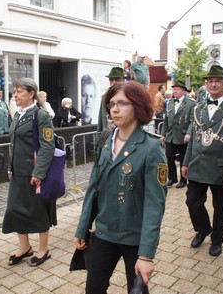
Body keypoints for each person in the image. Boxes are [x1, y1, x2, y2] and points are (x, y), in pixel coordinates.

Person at [74, 81, 167, 293]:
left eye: (122, 103)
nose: (115, 109)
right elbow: (94, 188)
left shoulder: (151, 148)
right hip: (104, 234)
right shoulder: (106, 139)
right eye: (112, 104)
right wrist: (83, 227)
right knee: (93, 289)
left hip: (134, 238)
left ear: (138, 106)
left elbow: (155, 206)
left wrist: (146, 255)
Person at [182, 65, 223, 257]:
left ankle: (217, 240)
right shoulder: (198, 109)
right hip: (197, 165)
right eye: (210, 81)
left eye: (218, 81)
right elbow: (193, 138)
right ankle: (203, 229)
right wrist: (185, 163)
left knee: (220, 208)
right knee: (192, 201)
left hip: (221, 169)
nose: (214, 84)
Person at [2, 77, 57, 267]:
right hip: (18, 173)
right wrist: (11, 167)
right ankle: (24, 247)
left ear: (31, 93)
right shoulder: (17, 115)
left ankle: (43, 249)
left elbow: (47, 146)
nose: (14, 95)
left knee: (38, 212)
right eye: (14, 92)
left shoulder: (41, 116)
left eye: (18, 91)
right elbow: (14, 144)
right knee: (14, 210)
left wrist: (39, 173)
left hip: (34, 175)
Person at [161, 81, 195, 189]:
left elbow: (192, 121)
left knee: (183, 158)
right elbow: (166, 119)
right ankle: (172, 178)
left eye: (177, 89)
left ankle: (183, 179)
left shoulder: (190, 103)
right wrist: (163, 134)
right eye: (174, 89)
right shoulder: (170, 102)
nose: (175, 91)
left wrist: (189, 133)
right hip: (171, 135)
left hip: (182, 135)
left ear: (183, 91)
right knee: (168, 157)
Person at [96, 67, 125, 133]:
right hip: (108, 136)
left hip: (124, 135)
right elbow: (100, 120)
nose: (114, 82)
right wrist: (98, 139)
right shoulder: (105, 97)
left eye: (117, 79)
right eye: (111, 79)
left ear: (123, 80)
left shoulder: (129, 96)